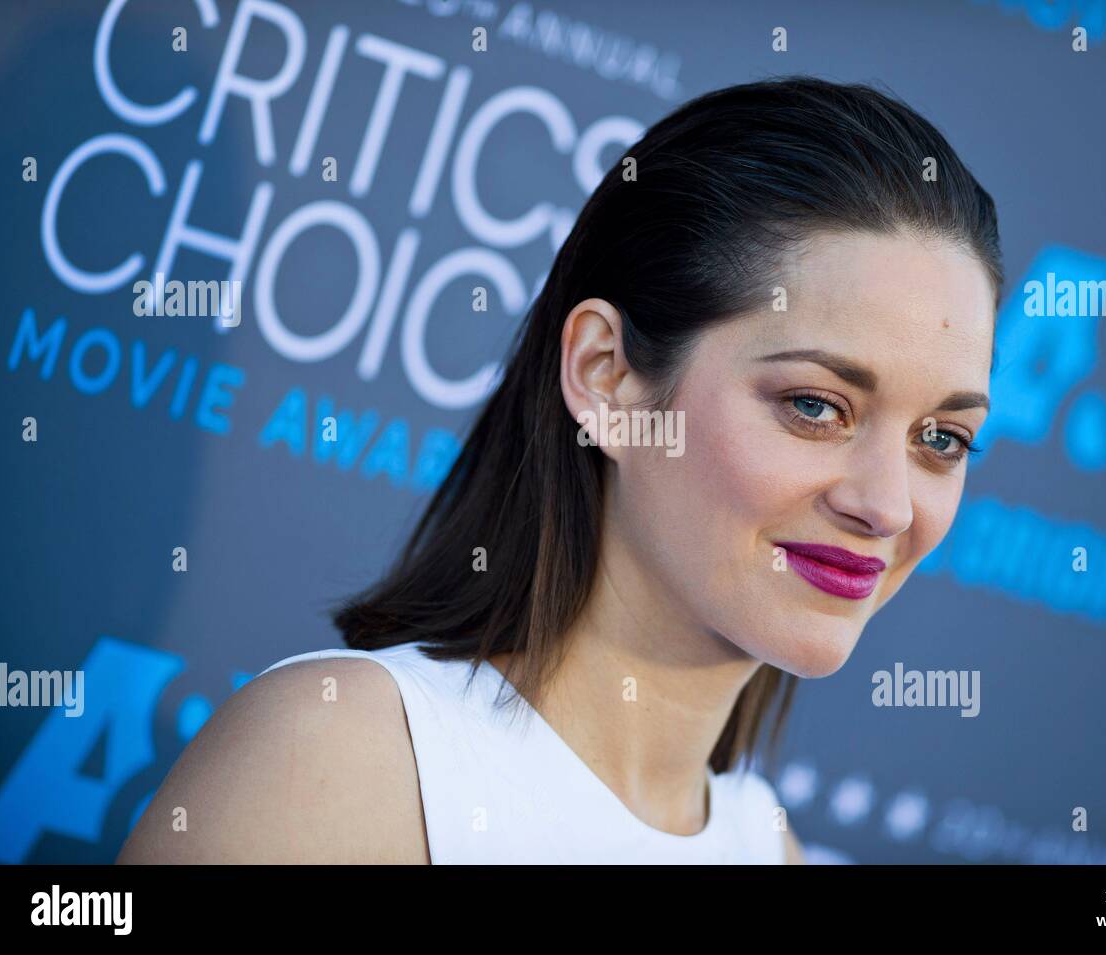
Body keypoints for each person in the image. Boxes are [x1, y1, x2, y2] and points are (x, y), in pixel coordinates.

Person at [118, 75, 1002, 864]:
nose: (886, 504)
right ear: (605, 377)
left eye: (943, 439)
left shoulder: (768, 846)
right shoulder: (344, 757)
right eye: (815, 405)